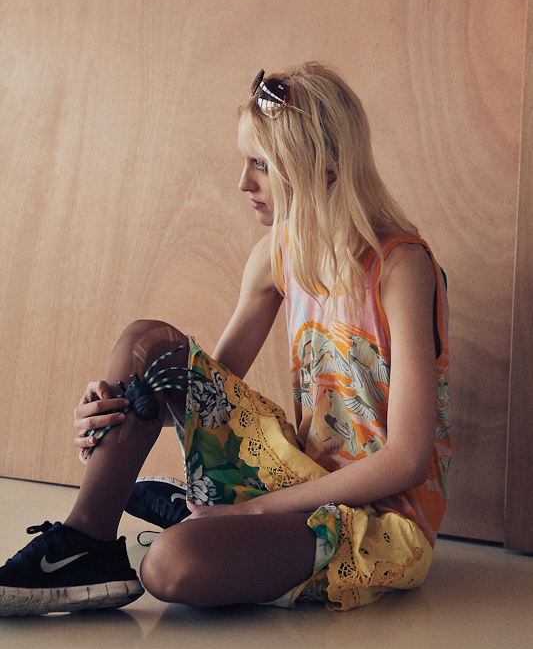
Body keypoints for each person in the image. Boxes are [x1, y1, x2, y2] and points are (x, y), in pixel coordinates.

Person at [0, 62, 451, 616]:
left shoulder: (401, 268)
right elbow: (206, 399)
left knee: (169, 565)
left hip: (380, 520)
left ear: (325, 168)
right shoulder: (277, 254)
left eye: (261, 164)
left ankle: (203, 515)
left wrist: (252, 512)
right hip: (300, 475)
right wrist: (121, 408)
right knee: (147, 345)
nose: (243, 183)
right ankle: (83, 542)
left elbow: (407, 459)